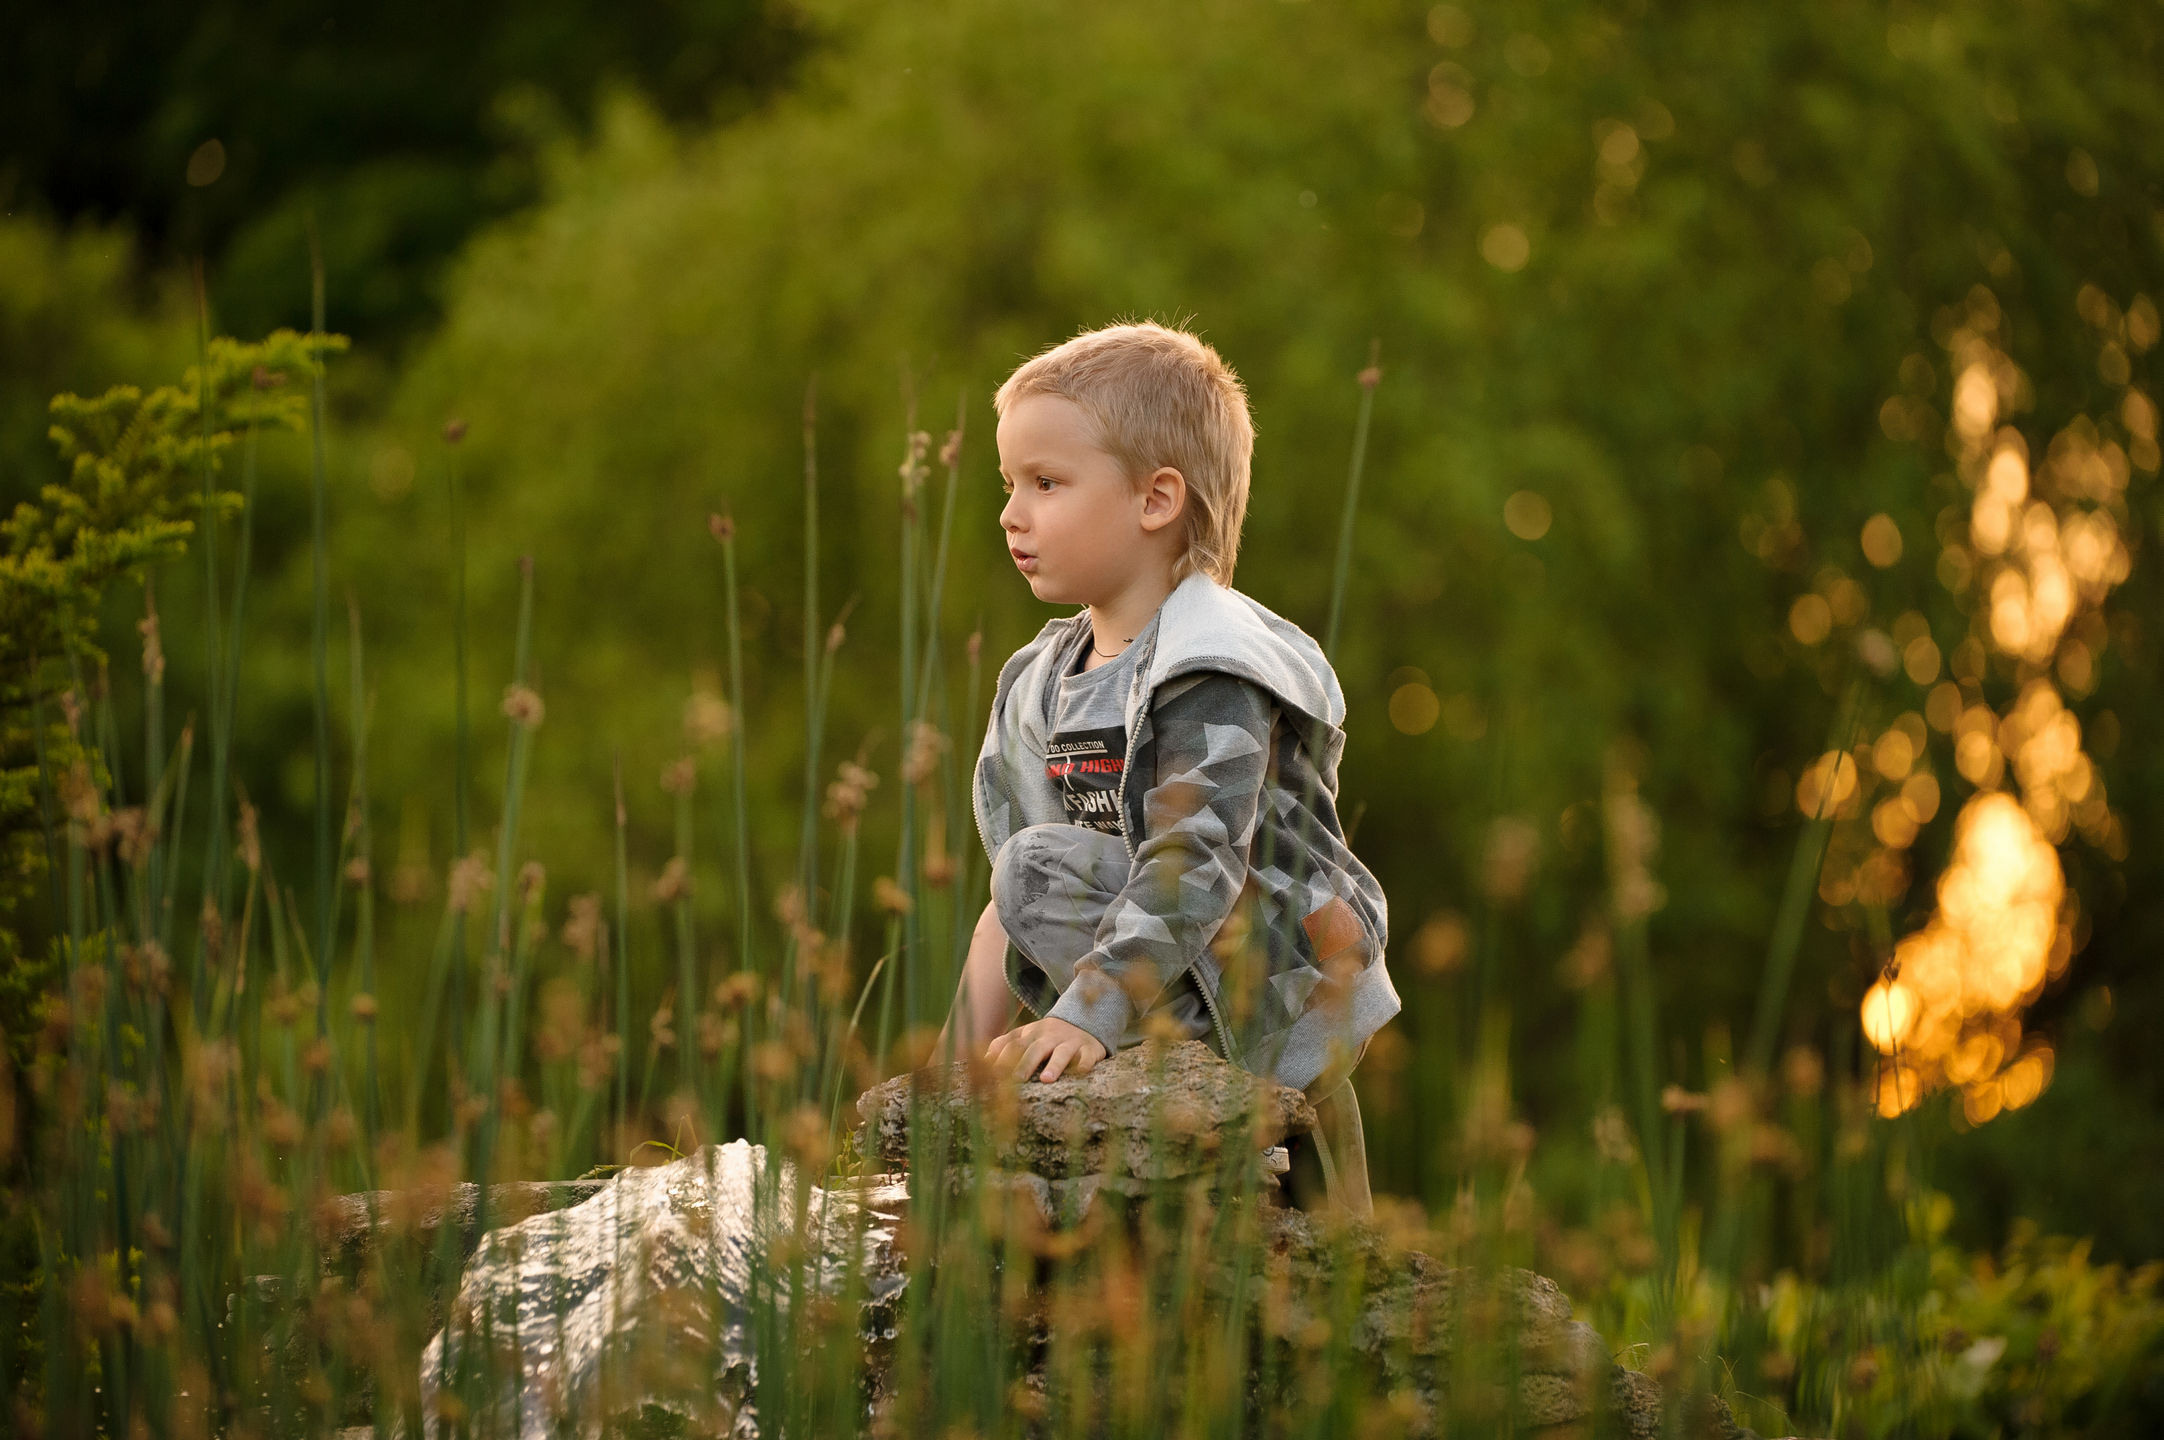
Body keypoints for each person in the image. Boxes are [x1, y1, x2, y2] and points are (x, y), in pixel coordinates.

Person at [932, 320, 1402, 1218]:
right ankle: (1166, 1078)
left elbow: (1195, 870)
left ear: (1156, 500)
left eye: (1047, 482)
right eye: (1009, 484)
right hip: (1168, 977)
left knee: (1335, 1243)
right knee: (1029, 861)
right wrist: (957, 1065)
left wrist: (1082, 1019)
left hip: (1279, 984)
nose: (1011, 513)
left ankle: (1212, 1088)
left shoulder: (1209, 667)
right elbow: (1012, 889)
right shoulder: (1045, 682)